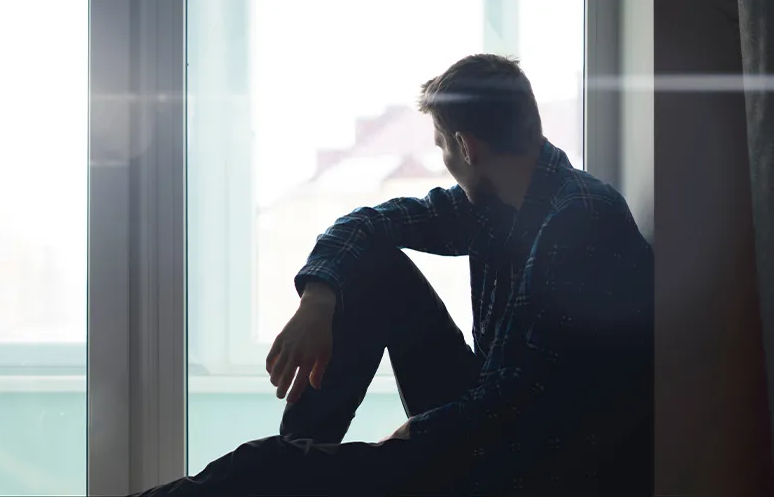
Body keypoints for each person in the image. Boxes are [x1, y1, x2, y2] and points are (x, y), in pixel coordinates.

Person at [131, 54, 653, 496]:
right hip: (495, 425)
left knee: (261, 467)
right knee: (373, 265)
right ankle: (303, 455)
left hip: (549, 464)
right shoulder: (497, 204)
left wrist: (411, 438)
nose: (445, 161)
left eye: (442, 147)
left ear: (466, 146)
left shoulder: (580, 218)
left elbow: (521, 398)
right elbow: (367, 224)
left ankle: (295, 465)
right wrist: (318, 300)